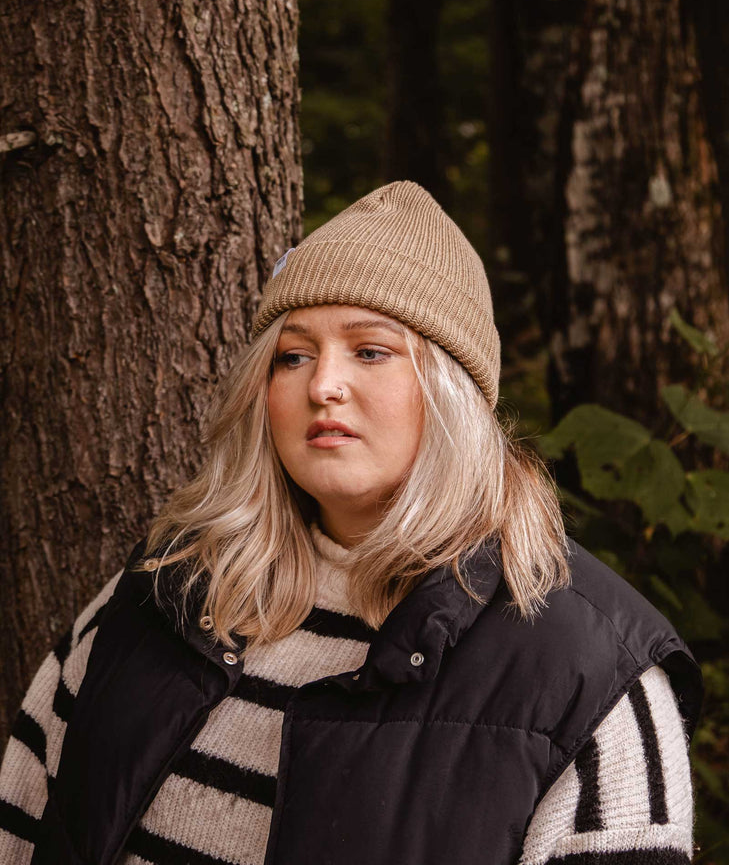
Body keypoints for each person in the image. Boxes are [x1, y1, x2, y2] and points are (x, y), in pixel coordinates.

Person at [0, 181, 702, 865]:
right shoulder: (164, 589)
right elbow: (20, 823)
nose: (322, 385)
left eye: (369, 351)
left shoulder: (589, 670)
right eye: (293, 355)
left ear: (450, 392)